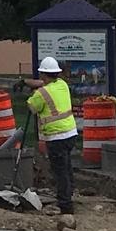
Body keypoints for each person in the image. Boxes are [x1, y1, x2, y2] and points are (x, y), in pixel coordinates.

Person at [23, 56, 77, 216]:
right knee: (67, 168)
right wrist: (27, 82)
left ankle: (66, 205)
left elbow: (31, 107)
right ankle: (69, 194)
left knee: (59, 172)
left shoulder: (41, 93)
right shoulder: (62, 85)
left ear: (43, 75)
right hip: (70, 134)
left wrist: (30, 93)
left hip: (56, 137)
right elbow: (43, 85)